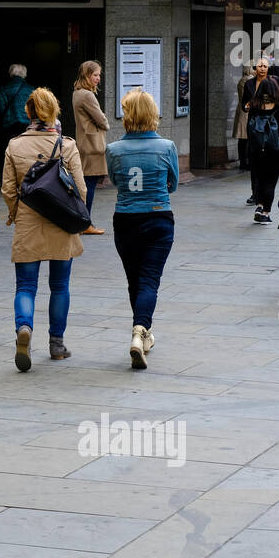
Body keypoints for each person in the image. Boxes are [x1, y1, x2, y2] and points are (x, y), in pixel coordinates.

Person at [2, 87, 84, 371]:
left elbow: (8, 190)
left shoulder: (14, 145)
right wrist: (78, 216)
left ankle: (24, 329)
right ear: (54, 112)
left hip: (27, 222)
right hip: (61, 223)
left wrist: (15, 214)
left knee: (25, 286)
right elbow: (80, 189)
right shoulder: (67, 145)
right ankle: (57, 345)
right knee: (60, 285)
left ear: (29, 112)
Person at [106, 89, 178, 370]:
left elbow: (115, 181)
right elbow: (172, 184)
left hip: (125, 218)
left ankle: (143, 332)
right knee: (150, 279)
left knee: (134, 280)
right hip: (159, 217)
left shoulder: (113, 149)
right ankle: (140, 331)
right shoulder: (167, 147)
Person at [242, 58, 279, 224]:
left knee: (259, 176)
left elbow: (249, 123)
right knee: (271, 179)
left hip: (256, 146)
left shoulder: (254, 104)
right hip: (274, 147)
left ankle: (259, 203)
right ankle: (265, 211)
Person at [71, 60, 109, 235]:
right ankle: (85, 223)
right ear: (87, 75)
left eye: (99, 75)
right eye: (95, 75)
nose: (98, 79)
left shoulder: (77, 93)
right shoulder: (87, 95)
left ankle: (82, 221)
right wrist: (105, 120)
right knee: (89, 185)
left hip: (85, 142)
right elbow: (102, 120)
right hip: (93, 145)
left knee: (85, 184)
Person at [0, 64, 36, 144]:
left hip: (10, 125)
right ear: (24, 74)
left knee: (11, 147)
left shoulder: (4, 89)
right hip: (28, 124)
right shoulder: (31, 89)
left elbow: (0, 108)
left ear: (11, 73)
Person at [232, 62, 254, 174]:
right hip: (247, 111)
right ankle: (246, 161)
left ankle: (243, 161)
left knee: (242, 139)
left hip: (241, 110)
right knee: (247, 138)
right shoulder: (250, 80)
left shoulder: (242, 79)